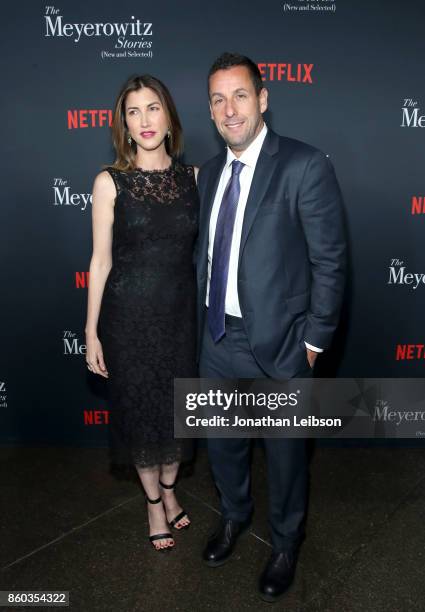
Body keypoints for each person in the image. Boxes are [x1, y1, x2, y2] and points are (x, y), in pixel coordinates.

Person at [196, 53, 346, 601]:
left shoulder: (304, 165)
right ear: (209, 110)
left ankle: (286, 541)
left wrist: (312, 342)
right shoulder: (209, 173)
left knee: (285, 455)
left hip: (281, 346)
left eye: (239, 95)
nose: (229, 109)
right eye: (217, 99)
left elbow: (330, 261)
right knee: (224, 447)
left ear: (263, 99)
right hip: (217, 339)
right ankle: (233, 515)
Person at [84, 75, 199, 552]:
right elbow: (100, 261)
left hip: (179, 318)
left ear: (169, 117)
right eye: (133, 111)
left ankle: (171, 492)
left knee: (175, 414)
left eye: (153, 108)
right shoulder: (110, 182)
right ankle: (153, 502)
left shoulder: (195, 180)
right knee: (140, 412)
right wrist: (91, 331)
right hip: (127, 319)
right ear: (124, 124)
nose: (144, 120)